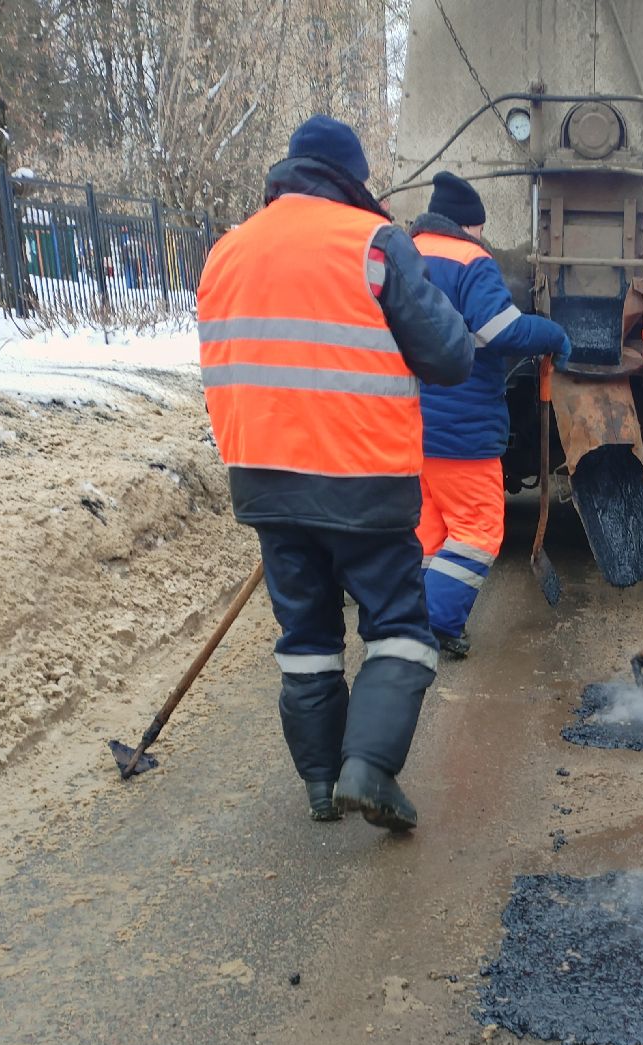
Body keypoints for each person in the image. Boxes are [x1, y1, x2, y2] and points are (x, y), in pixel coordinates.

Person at [197, 116, 475, 829]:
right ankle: (369, 770)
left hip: (264, 478)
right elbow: (448, 356)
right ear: (353, 180)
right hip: (363, 478)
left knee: (307, 636)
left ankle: (322, 787)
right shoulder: (373, 244)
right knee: (399, 627)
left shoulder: (225, 251)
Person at [411, 171, 571, 658]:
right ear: (469, 225)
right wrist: (551, 334)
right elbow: (500, 331)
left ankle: (407, 618)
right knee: (479, 528)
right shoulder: (470, 260)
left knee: (430, 530)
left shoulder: (403, 252)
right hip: (462, 428)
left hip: (409, 424)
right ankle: (433, 624)